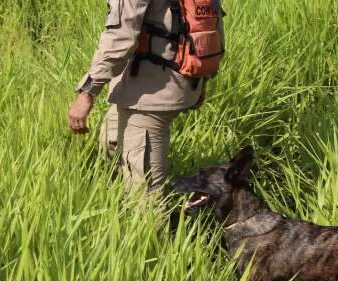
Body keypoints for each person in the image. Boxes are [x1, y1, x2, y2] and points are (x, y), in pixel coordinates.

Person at [67, 0, 224, 192]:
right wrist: (202, 79)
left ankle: (149, 216)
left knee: (145, 196)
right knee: (111, 140)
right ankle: (116, 207)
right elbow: (213, 26)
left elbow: (120, 38)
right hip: (183, 80)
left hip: (149, 96)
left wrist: (88, 92)